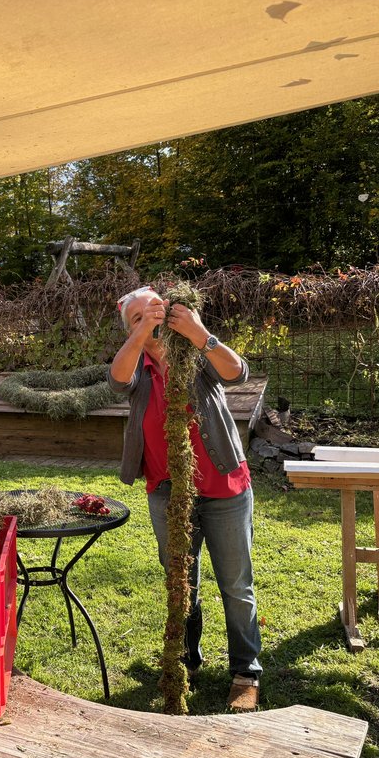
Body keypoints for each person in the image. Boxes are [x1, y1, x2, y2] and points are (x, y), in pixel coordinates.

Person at [109, 285, 263, 711]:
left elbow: (237, 373)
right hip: (168, 492)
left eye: (157, 310)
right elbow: (117, 380)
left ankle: (246, 672)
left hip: (224, 488)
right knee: (181, 582)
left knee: (236, 584)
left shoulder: (194, 353)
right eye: (139, 317)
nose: (152, 319)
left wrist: (199, 333)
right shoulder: (136, 364)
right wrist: (140, 334)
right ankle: (187, 662)